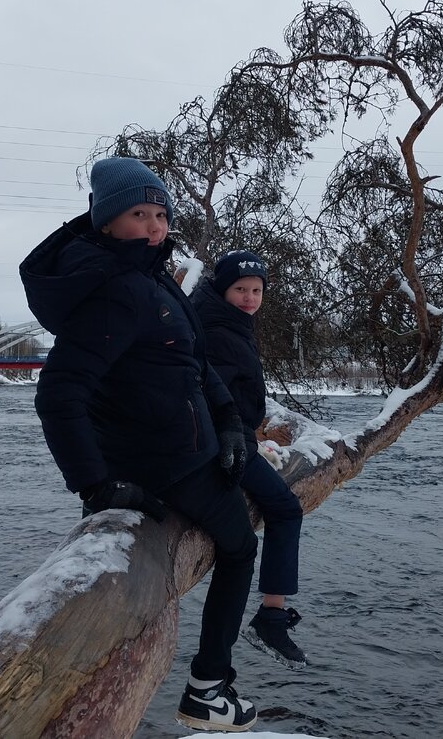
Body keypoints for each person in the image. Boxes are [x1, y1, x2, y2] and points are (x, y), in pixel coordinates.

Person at [19, 157, 260, 733]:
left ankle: (206, 682)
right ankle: (209, 687)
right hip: (164, 463)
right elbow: (58, 392)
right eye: (138, 214)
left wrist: (227, 421)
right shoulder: (119, 290)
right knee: (241, 549)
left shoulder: (149, 279)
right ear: (106, 223)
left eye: (161, 214)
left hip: (185, 449)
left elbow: (194, 364)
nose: (154, 227)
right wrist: (96, 484)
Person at [191, 250, 310, 671]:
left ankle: (265, 621)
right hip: (225, 443)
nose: (249, 297)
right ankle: (271, 618)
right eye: (240, 289)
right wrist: (239, 440)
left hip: (235, 438)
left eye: (256, 289)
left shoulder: (225, 321)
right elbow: (209, 392)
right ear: (224, 289)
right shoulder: (218, 328)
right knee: (285, 509)